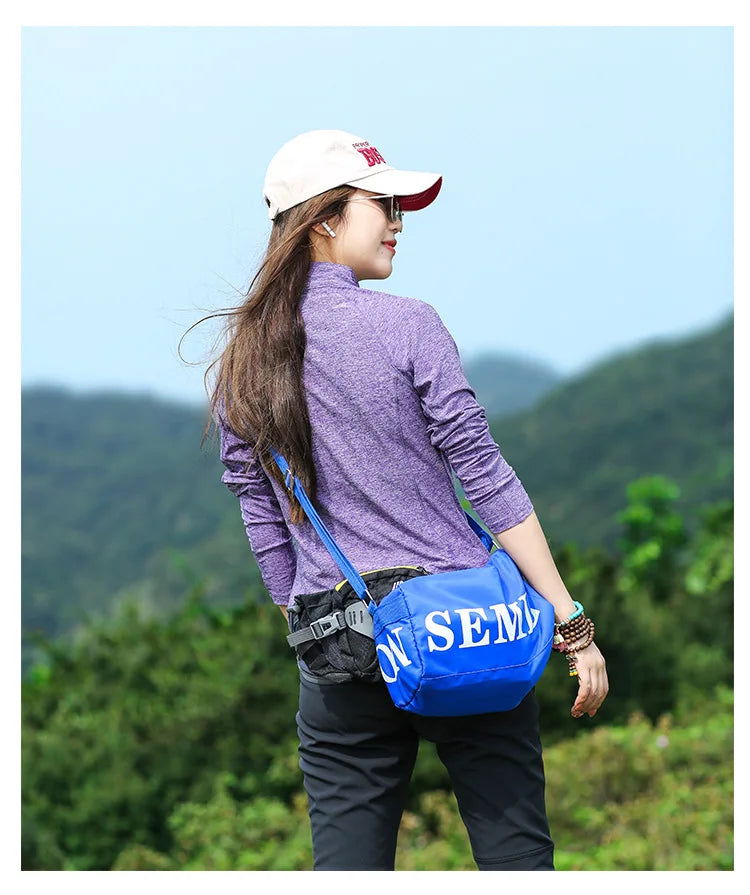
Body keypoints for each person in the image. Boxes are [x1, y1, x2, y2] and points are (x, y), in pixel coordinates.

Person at [208, 129, 608, 871]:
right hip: (465, 629)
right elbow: (484, 476)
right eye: (383, 205)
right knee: (517, 858)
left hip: (339, 644)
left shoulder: (243, 358)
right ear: (324, 217)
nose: (398, 222)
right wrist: (571, 622)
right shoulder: (408, 324)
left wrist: (301, 611)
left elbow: (257, 508)